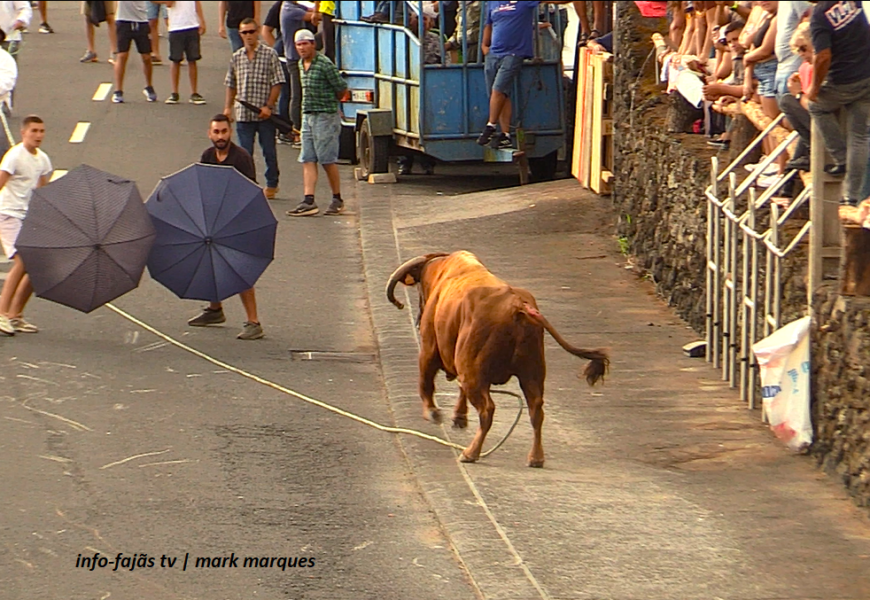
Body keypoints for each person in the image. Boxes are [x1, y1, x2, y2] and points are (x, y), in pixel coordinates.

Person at [187, 114, 265, 340]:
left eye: (224, 131)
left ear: (230, 132)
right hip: (213, 221)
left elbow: (249, 193)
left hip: (238, 222)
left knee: (240, 271)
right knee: (210, 264)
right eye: (216, 132)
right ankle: (215, 309)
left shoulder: (241, 158)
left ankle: (254, 322)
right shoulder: (208, 156)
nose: (220, 136)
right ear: (210, 134)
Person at [476, 0, 572, 151]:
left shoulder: (525, 2)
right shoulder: (492, 3)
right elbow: (488, 24)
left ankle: (491, 126)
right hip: (494, 53)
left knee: (498, 89)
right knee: (502, 94)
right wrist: (484, 46)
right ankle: (505, 135)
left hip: (514, 52)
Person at [807, 0, 870, 207]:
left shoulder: (819, 14)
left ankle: (840, 157)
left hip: (845, 80)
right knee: (859, 135)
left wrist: (814, 88)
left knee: (816, 106)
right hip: (867, 75)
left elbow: (823, 56)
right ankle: (852, 196)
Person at [286, 28, 347, 217]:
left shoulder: (324, 64)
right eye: (299, 44)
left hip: (325, 115)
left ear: (313, 44)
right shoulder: (299, 64)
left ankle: (337, 198)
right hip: (308, 115)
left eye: (305, 43)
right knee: (307, 158)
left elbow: (341, 88)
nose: (302, 48)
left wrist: (331, 104)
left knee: (327, 159)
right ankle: (308, 200)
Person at [0, 115, 52, 336]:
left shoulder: (43, 160)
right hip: (8, 214)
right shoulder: (14, 156)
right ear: (23, 133)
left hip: (27, 217)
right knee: (23, 260)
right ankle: (1, 313)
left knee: (36, 265)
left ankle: (15, 316)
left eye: (41, 131)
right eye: (34, 131)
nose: (38, 135)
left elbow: (42, 192)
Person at [224, 17, 284, 200]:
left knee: (268, 151)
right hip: (243, 113)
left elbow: (278, 81)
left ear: (257, 32)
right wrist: (227, 107)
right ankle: (248, 186)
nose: (248, 36)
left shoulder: (269, 54)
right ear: (240, 34)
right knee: (244, 153)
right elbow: (231, 83)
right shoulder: (237, 57)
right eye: (244, 33)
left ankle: (272, 183)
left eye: (251, 31)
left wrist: (269, 105)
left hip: (264, 114)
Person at [281, 2, 322, 142]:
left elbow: (310, 8)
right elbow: (313, 16)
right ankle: (297, 129)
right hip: (294, 58)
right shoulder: (289, 9)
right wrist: (325, 15)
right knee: (297, 95)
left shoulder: (295, 6)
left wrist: (316, 8)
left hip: (299, 56)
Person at [778, 21, 814, 172]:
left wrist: (798, 94)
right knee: (787, 100)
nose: (801, 54)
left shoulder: (825, 66)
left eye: (803, 49)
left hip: (829, 122)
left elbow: (815, 106)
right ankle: (786, 185)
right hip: (813, 122)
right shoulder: (805, 67)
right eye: (798, 50)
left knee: (787, 100)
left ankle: (787, 178)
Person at [157, 0, 206, 105]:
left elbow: (197, 3)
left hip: (192, 25)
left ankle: (194, 92)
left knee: (192, 59)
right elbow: (168, 3)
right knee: (175, 60)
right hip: (176, 27)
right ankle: (174, 92)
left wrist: (201, 20)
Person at [112, 0, 158, 103]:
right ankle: (118, 90)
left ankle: (149, 86)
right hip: (123, 20)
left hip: (141, 21)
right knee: (122, 55)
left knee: (146, 57)